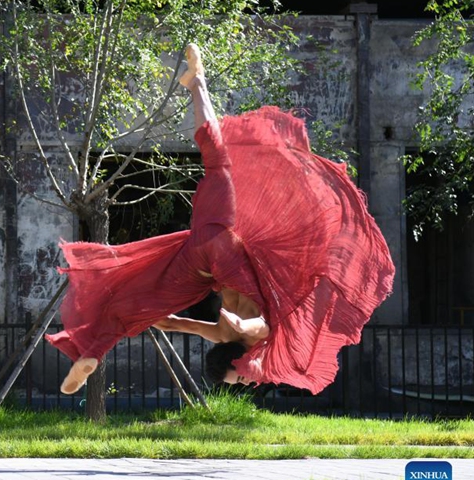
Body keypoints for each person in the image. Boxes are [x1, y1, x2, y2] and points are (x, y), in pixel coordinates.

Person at [45, 43, 395, 395]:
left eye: (241, 375)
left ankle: (198, 83)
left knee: (218, 162)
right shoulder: (221, 334)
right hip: (197, 261)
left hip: (219, 251)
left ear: (236, 359)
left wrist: (238, 320)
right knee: (128, 307)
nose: (250, 377)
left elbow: (254, 325)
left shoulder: (253, 333)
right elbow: (178, 324)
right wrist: (144, 319)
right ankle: (92, 351)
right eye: (245, 380)